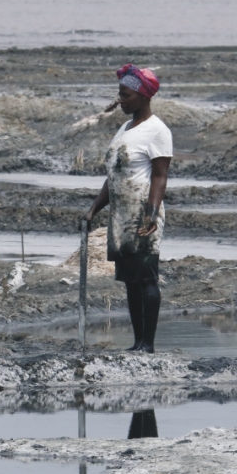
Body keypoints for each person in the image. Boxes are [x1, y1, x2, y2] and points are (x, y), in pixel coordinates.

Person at [84, 64, 172, 353]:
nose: (121, 100)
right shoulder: (125, 128)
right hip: (120, 216)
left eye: (127, 95)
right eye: (120, 94)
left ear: (143, 97)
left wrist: (151, 214)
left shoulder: (157, 131)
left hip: (142, 214)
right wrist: (95, 209)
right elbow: (115, 176)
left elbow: (160, 177)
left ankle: (148, 344)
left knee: (146, 277)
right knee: (131, 281)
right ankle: (137, 342)